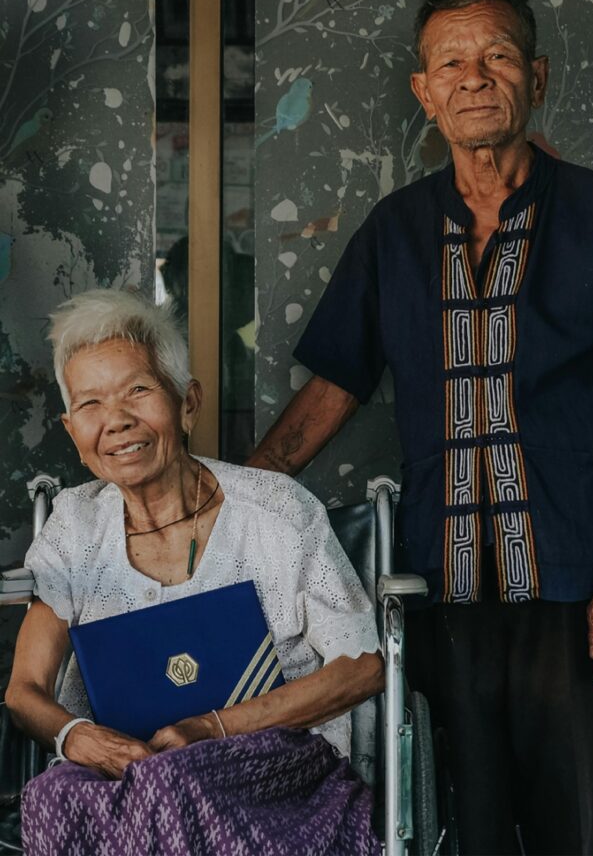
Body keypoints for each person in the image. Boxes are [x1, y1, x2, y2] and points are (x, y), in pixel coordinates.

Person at [247, 0, 593, 855]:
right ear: (424, 92)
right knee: (455, 827)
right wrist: (227, 504)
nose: (474, 77)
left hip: (576, 582)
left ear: (538, 76)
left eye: (497, 56)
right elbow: (332, 389)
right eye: (451, 62)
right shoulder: (394, 231)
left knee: (576, 831)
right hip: (437, 587)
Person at [6, 289, 383, 856]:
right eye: (90, 405)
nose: (117, 422)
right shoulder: (73, 528)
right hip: (124, 771)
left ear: (187, 403)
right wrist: (77, 736)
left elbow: (362, 668)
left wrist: (210, 728)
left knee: (170, 783)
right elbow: (25, 689)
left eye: (138, 390)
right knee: (52, 795)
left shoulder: (277, 511)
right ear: (70, 430)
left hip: (277, 767)